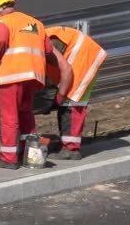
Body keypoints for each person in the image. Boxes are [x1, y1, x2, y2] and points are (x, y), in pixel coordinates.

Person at [0, 0, 72, 169]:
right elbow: (48, 51)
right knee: (25, 113)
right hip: (34, 77)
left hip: (12, 75)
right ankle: (30, 154)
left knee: (8, 115)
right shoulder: (36, 24)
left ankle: (9, 158)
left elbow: (1, 40)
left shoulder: (3, 22)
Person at [44, 26, 107, 160]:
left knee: (71, 104)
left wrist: (60, 95)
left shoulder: (43, 43)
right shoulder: (38, 39)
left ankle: (71, 149)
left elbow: (65, 70)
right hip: (81, 57)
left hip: (83, 60)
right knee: (68, 104)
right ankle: (66, 144)